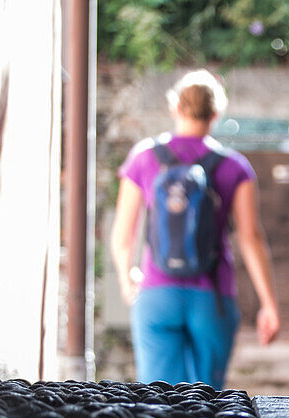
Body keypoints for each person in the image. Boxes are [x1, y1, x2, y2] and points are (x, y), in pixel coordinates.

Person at [109, 69, 280, 389]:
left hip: (157, 293)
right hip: (212, 298)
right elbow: (251, 238)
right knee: (206, 403)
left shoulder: (144, 157)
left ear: (175, 107)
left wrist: (125, 274)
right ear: (215, 114)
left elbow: (123, 233)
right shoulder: (235, 167)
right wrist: (268, 303)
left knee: (158, 401)